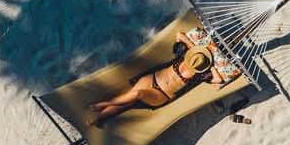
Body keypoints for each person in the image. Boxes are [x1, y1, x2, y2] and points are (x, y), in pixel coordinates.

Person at [89, 37, 232, 125]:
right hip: (152, 79)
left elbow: (218, 80)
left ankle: (105, 103)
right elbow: (179, 35)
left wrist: (212, 65)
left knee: (137, 94)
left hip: (161, 95)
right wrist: (195, 48)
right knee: (127, 102)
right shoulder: (185, 54)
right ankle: (99, 119)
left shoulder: (201, 75)